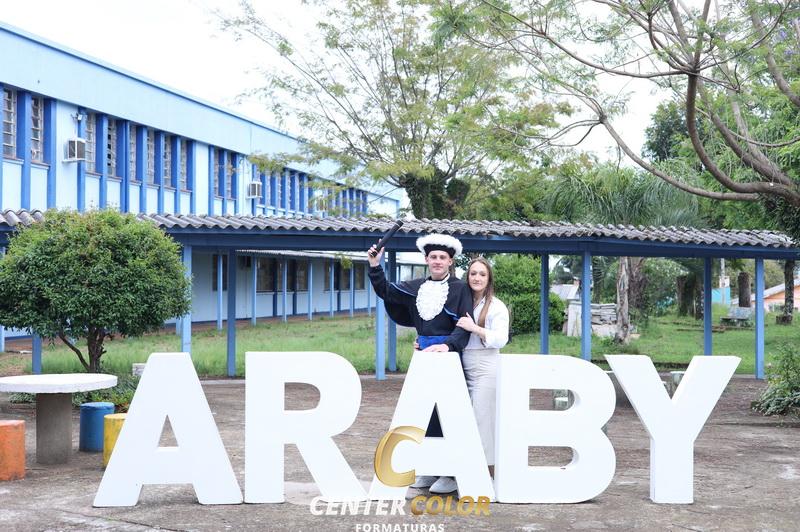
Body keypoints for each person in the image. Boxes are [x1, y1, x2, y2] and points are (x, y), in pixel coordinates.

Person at [367, 233, 472, 494]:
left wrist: (448, 346)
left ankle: (450, 474)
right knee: (423, 411)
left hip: (448, 357)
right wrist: (375, 265)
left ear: (450, 262)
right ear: (426, 260)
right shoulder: (416, 287)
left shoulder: (460, 289)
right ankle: (429, 467)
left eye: (442, 257)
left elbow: (464, 325)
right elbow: (386, 291)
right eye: (433, 257)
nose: (437, 261)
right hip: (423, 355)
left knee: (447, 414)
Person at [455, 257, 509, 480]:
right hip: (463, 363)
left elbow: (501, 339)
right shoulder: (463, 301)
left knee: (482, 419)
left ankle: (488, 473)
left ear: (489, 279)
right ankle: (463, 470)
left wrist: (474, 328)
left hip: (487, 366)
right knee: (463, 418)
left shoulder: (496, 306)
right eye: (473, 273)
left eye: (482, 274)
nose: (477, 278)